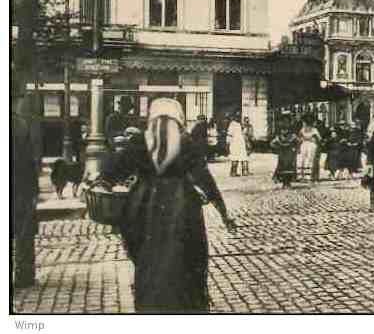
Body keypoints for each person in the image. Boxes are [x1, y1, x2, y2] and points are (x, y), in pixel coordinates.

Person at [90, 98, 236, 312]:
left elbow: (115, 168)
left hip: (143, 205)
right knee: (186, 256)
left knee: (146, 256)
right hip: (182, 206)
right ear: (178, 119)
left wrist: (102, 181)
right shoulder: (186, 143)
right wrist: (224, 213)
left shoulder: (140, 141)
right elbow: (205, 180)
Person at [12, 79, 43, 288]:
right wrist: (34, 190)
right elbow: (28, 161)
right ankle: (24, 275)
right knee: (23, 232)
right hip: (19, 186)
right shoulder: (19, 124)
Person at [270, 118, 298, 188]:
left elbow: (298, 141)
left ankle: (288, 182)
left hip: (289, 154)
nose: (284, 131)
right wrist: (277, 148)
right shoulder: (279, 137)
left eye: (286, 130)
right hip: (282, 154)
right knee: (282, 167)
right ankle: (284, 183)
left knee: (289, 167)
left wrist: (295, 148)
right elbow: (272, 143)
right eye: (283, 130)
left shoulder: (292, 136)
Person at [297, 114, 321, 182]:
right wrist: (300, 142)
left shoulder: (314, 130)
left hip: (311, 145)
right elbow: (299, 138)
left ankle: (307, 176)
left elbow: (319, 138)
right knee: (302, 159)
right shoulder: (302, 129)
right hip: (304, 144)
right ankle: (302, 176)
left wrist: (313, 139)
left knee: (309, 159)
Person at [226, 112, 248, 177]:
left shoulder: (240, 124)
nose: (238, 117)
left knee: (243, 157)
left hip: (240, 143)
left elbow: (243, 134)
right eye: (237, 116)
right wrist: (228, 143)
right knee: (235, 158)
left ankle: (244, 171)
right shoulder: (232, 124)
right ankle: (233, 172)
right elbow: (229, 135)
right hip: (235, 143)